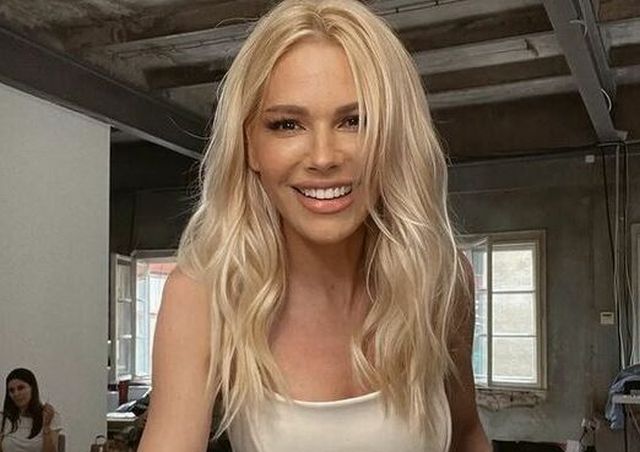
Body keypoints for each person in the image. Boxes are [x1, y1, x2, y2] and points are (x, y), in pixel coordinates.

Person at [138, 0, 491, 451]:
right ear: (250, 146)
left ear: (395, 138)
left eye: (354, 121)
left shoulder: (442, 279)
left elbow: (467, 435)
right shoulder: (205, 295)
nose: (323, 157)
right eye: (287, 124)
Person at [0, 368, 62, 452]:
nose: (16, 394)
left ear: (32, 388)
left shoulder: (49, 415)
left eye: (21, 388)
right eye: (11, 390)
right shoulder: (3, 418)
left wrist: (46, 427)